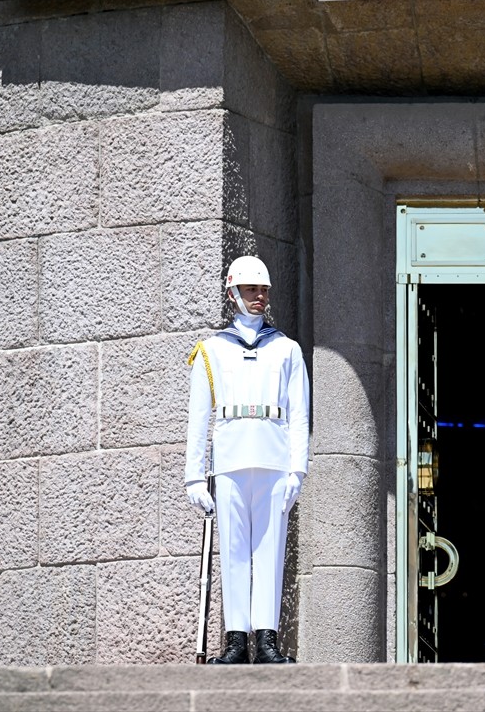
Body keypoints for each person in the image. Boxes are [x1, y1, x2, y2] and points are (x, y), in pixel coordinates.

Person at [184, 255, 310, 665]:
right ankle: (236, 640)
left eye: (264, 290)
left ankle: (267, 640)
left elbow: (299, 414)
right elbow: (198, 416)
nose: (260, 297)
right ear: (233, 293)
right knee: (234, 551)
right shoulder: (211, 350)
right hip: (231, 457)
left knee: (270, 550)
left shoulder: (287, 349)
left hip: (273, 458)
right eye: (252, 289)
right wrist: (193, 477)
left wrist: (298, 468)